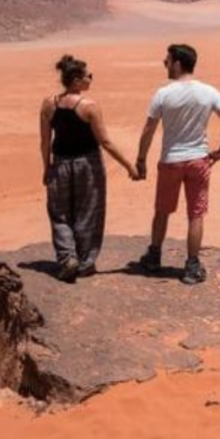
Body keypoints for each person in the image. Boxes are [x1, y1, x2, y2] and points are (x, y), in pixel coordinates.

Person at [135, 44, 220, 284]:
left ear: (178, 63)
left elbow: (149, 129)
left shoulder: (163, 94)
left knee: (162, 210)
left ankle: (153, 257)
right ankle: (192, 267)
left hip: (171, 160)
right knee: (196, 214)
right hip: (198, 160)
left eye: (167, 61)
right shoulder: (209, 92)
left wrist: (141, 159)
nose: (165, 64)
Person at [40, 54, 139, 282]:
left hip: (61, 163)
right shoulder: (89, 107)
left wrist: (47, 168)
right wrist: (129, 166)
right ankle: (84, 262)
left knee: (60, 214)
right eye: (88, 76)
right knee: (89, 212)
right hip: (88, 165)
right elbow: (105, 142)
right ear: (76, 80)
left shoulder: (48, 104)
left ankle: (67, 259)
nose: (90, 80)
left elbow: (45, 141)